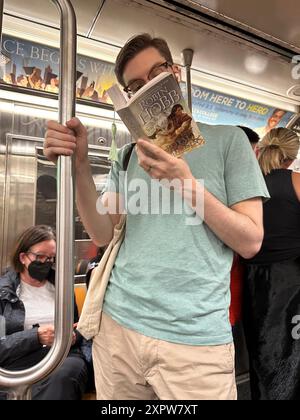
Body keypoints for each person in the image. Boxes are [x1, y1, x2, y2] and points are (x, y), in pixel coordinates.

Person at [44, 33, 269, 400]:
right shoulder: (129, 155)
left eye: (156, 73)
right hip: (118, 330)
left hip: (194, 344)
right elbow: (103, 233)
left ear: (175, 73)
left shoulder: (230, 142)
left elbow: (251, 240)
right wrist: (81, 165)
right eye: (135, 85)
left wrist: (186, 183)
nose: (147, 86)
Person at [243, 128, 300, 400]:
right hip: (291, 283)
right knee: (292, 358)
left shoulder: (245, 184)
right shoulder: (297, 182)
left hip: (251, 282)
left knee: (261, 355)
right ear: (292, 156)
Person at [0, 225, 89, 400]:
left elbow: (78, 325)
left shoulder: (62, 287)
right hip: (19, 359)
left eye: (51, 259)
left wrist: (73, 335)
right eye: (40, 257)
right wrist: (36, 337)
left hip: (62, 357)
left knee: (63, 377)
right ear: (23, 257)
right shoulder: (4, 292)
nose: (45, 263)